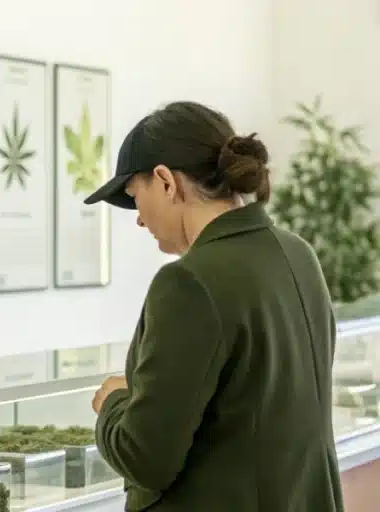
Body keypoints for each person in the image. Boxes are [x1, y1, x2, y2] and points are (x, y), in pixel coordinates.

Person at [85, 101, 344, 511]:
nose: (138, 219)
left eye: (136, 197)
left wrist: (114, 402)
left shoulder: (188, 283)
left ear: (166, 182)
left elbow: (145, 457)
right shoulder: (298, 254)